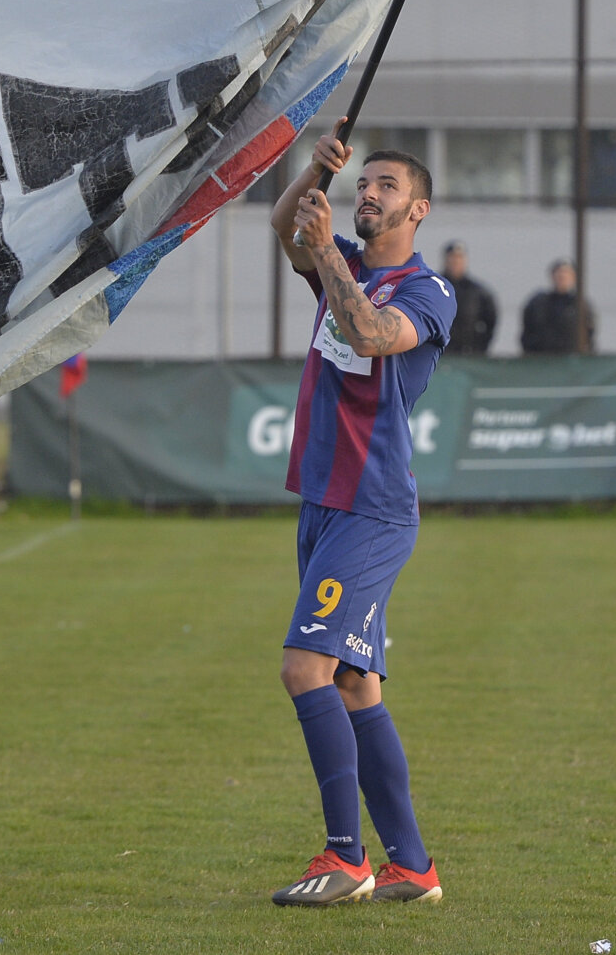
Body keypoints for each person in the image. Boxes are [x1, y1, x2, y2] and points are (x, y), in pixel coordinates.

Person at [266, 123, 456, 907]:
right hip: (322, 502)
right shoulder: (336, 259)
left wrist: (328, 255)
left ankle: (347, 858)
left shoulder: (426, 290)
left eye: (387, 187)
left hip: (372, 509)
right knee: (354, 681)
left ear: (419, 210)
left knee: (302, 666)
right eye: (363, 183)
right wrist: (313, 171)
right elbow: (283, 230)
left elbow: (373, 335)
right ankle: (412, 865)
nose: (368, 194)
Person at [520, 260, 596, 354]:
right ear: (552, 276)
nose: (562, 277)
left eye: (566, 273)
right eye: (559, 273)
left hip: (572, 358)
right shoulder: (538, 303)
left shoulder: (580, 305)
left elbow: (590, 333)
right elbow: (527, 330)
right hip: (542, 358)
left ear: (574, 277)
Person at [441, 241, 497, 355]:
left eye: (459, 258)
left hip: (469, 352)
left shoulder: (477, 292)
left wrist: (480, 346)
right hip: (440, 353)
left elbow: (491, 320)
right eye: (452, 258)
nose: (455, 262)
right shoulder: (435, 287)